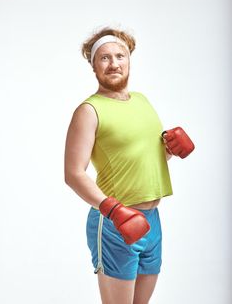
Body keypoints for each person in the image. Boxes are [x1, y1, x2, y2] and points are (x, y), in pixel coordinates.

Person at [64, 27, 194, 304]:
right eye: (104, 58)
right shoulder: (89, 110)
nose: (113, 64)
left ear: (129, 60)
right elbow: (73, 173)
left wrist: (169, 149)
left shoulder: (142, 101)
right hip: (114, 222)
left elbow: (141, 156)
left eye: (119, 56)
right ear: (93, 65)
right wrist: (112, 209)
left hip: (151, 220)